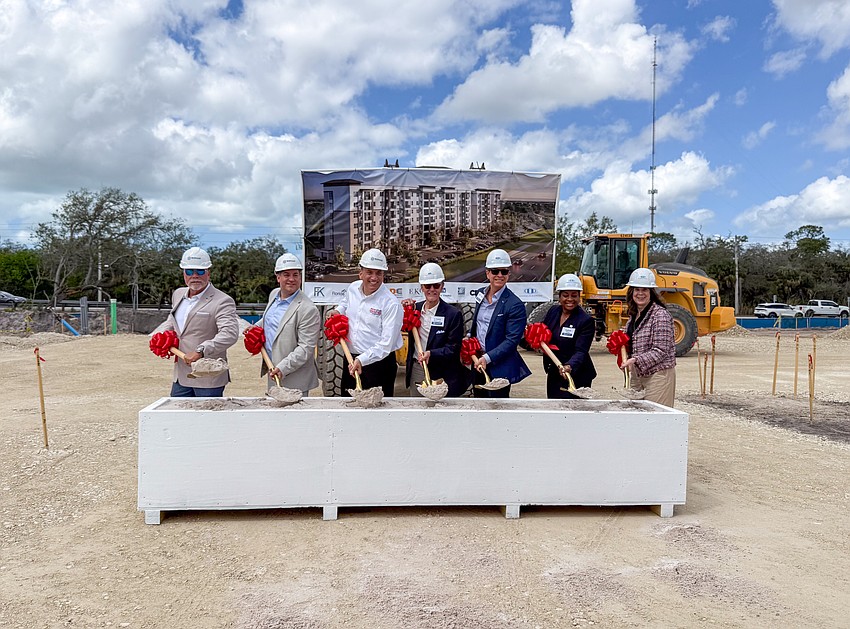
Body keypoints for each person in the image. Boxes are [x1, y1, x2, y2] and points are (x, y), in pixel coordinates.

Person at [158, 247, 239, 397]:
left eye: (200, 271)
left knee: (207, 420)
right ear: (183, 273)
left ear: (208, 272)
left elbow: (229, 334)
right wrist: (161, 335)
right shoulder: (178, 294)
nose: (194, 276)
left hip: (208, 377)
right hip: (181, 376)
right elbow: (173, 319)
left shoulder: (222, 301)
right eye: (189, 271)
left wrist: (200, 351)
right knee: (178, 418)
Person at [335, 248, 403, 397]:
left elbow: (387, 344)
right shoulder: (353, 288)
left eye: (379, 273)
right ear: (361, 273)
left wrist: (362, 359)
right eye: (369, 272)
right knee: (349, 405)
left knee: (377, 414)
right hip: (351, 360)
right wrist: (337, 311)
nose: (374, 277)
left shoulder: (391, 304)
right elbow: (345, 303)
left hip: (379, 366)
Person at [255, 253, 320, 396]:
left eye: (295, 275)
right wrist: (255, 328)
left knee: (295, 418)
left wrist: (283, 368)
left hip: (295, 378)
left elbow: (305, 348)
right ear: (278, 277)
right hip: (273, 371)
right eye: (286, 275)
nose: (291, 279)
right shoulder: (274, 295)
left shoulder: (308, 309)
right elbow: (271, 320)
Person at [468, 248, 531, 398]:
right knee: (479, 406)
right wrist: (469, 338)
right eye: (495, 271)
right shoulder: (480, 295)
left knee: (497, 412)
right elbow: (478, 325)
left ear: (509, 273)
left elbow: (511, 341)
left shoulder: (515, 305)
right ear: (487, 273)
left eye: (504, 271)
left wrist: (487, 358)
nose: (500, 275)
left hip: (499, 366)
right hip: (478, 363)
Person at [403, 263, 467, 397]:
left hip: (442, 371)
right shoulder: (414, 309)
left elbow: (453, 348)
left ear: (442, 286)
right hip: (418, 370)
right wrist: (404, 309)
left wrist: (431, 353)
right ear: (421, 287)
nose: (432, 289)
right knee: (418, 410)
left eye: (436, 285)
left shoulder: (453, 314)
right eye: (427, 286)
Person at [619, 267, 676, 407]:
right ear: (631, 292)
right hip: (638, 375)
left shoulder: (660, 315)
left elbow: (661, 350)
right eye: (637, 289)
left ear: (651, 292)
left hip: (658, 376)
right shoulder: (633, 316)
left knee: (655, 417)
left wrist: (635, 360)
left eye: (644, 290)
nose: (640, 293)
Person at [539, 273, 597, 398]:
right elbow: (544, 334)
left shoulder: (585, 320)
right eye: (565, 295)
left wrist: (569, 366)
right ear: (559, 297)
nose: (570, 299)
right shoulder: (553, 312)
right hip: (555, 370)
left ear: (579, 297)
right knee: (555, 408)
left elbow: (581, 351)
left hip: (577, 373)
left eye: (574, 295)